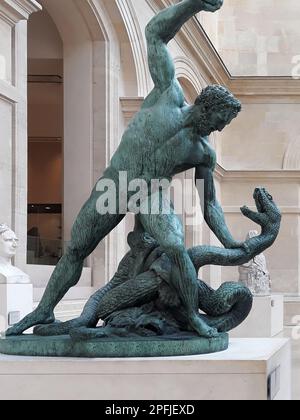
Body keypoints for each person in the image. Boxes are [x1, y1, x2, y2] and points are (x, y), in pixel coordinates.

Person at [7, 0, 242, 338]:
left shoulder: (202, 152)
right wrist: (194, 5)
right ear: (209, 107)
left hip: (150, 193)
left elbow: (209, 205)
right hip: (114, 185)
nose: (220, 128)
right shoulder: (167, 94)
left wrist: (231, 241)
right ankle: (43, 310)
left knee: (175, 246)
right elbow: (155, 34)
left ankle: (193, 316)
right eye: (222, 120)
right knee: (76, 248)